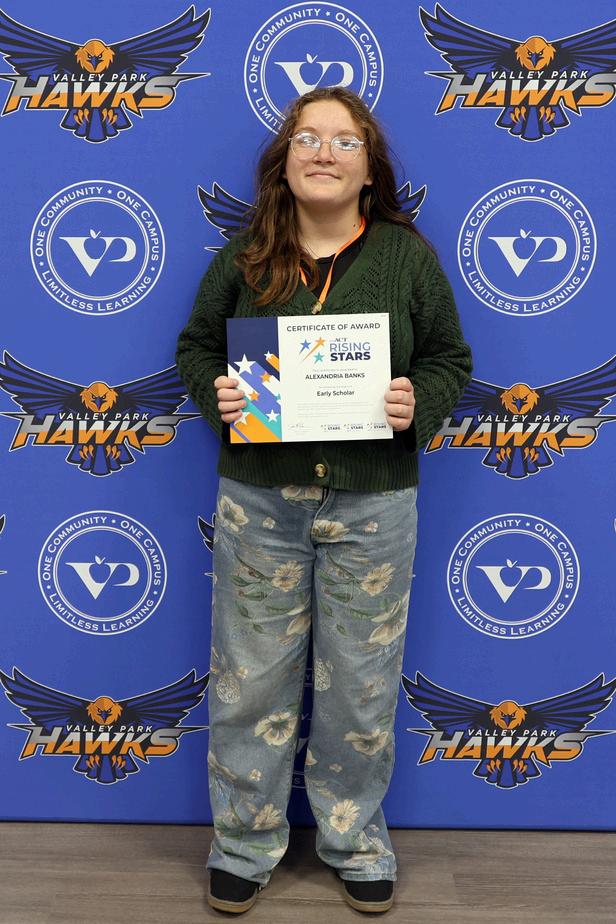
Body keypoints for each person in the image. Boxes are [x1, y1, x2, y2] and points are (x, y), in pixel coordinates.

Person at [176, 86, 472, 914]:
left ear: (370, 170)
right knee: (249, 681)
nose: (325, 152)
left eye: (346, 141)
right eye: (307, 137)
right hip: (260, 502)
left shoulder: (405, 259)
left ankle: (353, 839)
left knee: (361, 687)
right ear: (284, 161)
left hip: (374, 505)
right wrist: (218, 397)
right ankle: (244, 841)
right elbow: (196, 348)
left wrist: (419, 401)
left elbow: (449, 358)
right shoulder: (245, 257)